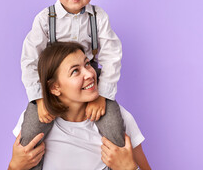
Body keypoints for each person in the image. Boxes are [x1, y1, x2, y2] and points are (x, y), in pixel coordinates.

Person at [19, 0, 124, 169]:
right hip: (54, 86)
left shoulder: (98, 17)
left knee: (115, 126)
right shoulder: (45, 20)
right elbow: (29, 60)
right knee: (29, 136)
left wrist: (102, 95)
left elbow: (112, 56)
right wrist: (39, 98)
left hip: (91, 83)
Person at [9, 42, 151, 170]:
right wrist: (15, 166)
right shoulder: (33, 123)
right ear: (55, 87)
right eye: (75, 71)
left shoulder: (121, 118)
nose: (89, 74)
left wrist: (129, 168)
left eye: (87, 64)